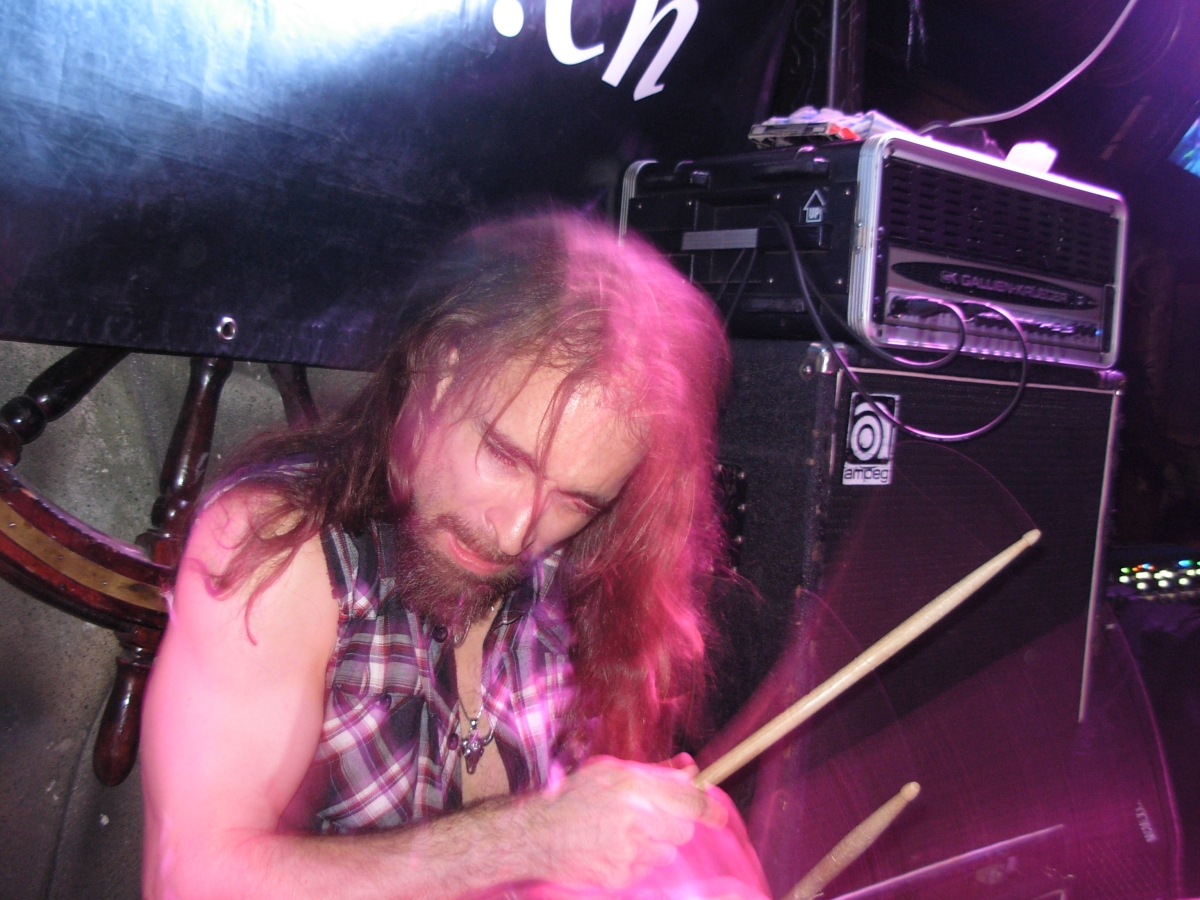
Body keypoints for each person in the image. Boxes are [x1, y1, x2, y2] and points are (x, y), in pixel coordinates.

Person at [140, 213, 741, 899]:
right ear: (442, 365)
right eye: (504, 456)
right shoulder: (282, 547)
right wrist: (526, 837)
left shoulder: (583, 579)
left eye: (576, 500)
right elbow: (189, 880)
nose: (516, 533)